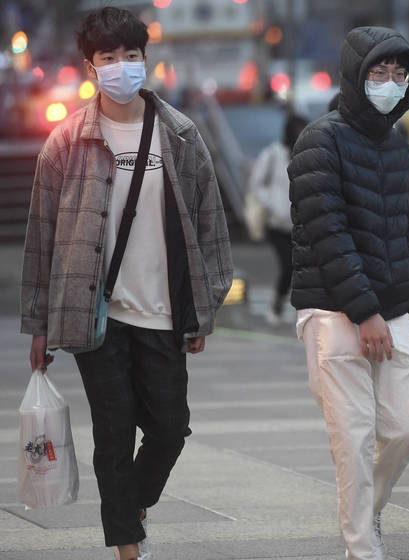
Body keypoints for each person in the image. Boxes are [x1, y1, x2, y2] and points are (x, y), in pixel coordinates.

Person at [20, 7, 233, 560]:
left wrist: (201, 306)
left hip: (163, 311)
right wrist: (38, 324)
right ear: (91, 66)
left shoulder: (181, 134)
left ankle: (130, 505)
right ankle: (127, 547)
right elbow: (40, 236)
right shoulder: (66, 143)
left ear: (146, 59)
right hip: (97, 315)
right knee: (113, 435)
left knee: (169, 429)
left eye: (131, 56)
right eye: (109, 58)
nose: (122, 67)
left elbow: (210, 225)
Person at [288, 26, 409, 560]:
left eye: (400, 75)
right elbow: (328, 233)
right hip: (332, 313)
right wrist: (364, 311)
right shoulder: (319, 140)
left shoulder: (398, 149)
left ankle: (367, 511)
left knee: (404, 429)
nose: (390, 84)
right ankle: (362, 548)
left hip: (394, 310)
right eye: (379, 73)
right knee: (352, 441)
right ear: (355, 76)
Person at [246, 113, 308, 325]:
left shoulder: (308, 153)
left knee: (300, 268)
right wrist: (272, 203)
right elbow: (257, 183)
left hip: (300, 223)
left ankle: (287, 306)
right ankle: (276, 305)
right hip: (277, 223)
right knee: (288, 266)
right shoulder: (273, 154)